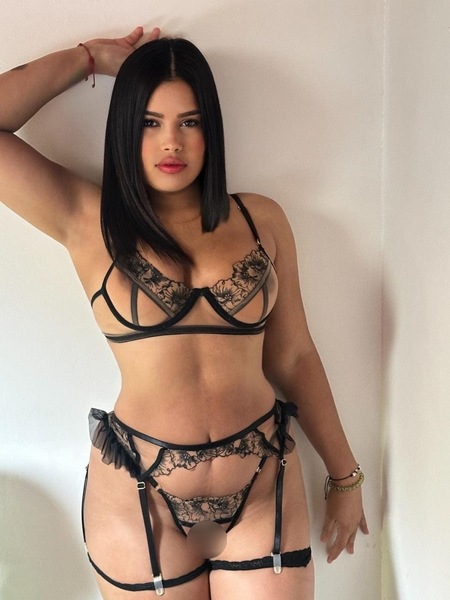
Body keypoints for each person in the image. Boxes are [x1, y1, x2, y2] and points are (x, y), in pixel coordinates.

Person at [0, 26, 368, 600]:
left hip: (263, 488)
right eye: (150, 122)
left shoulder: (262, 221)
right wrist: (87, 59)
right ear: (126, 128)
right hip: (138, 497)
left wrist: (344, 475)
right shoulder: (87, 218)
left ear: (210, 130)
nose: (171, 143)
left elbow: (295, 356)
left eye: (189, 122)